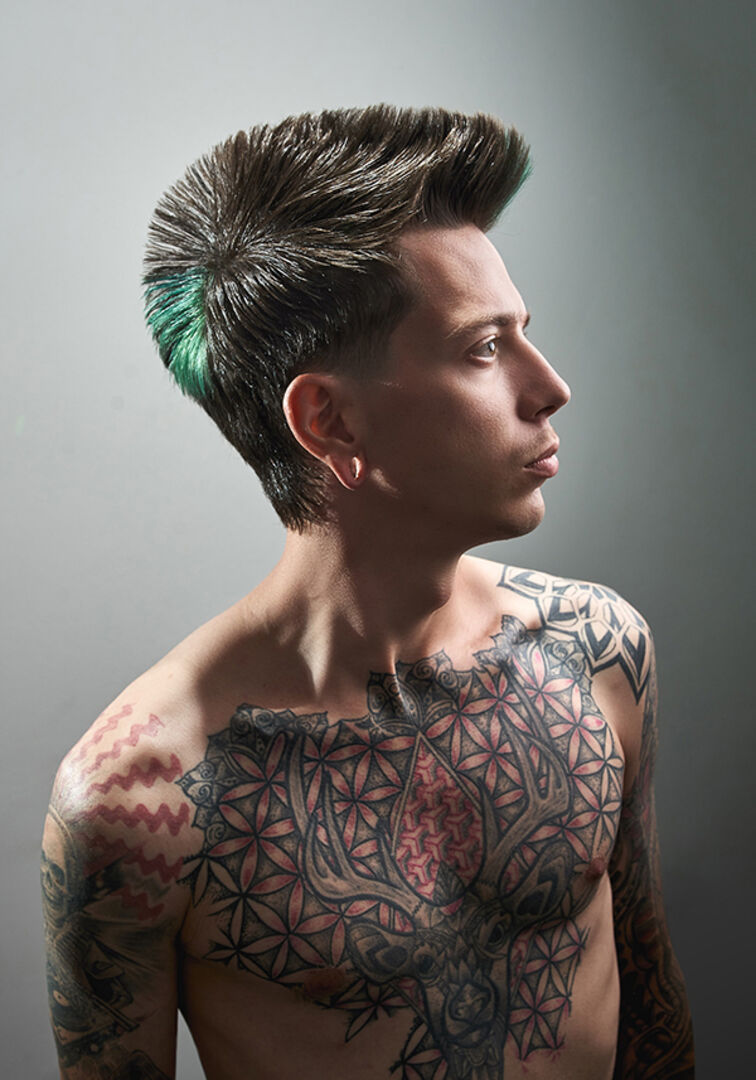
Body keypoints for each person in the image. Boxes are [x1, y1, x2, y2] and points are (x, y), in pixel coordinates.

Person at [41, 106, 694, 1080]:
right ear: (329, 421)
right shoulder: (142, 800)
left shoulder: (596, 651)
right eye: (483, 348)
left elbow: (652, 1006)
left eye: (525, 334)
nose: (550, 386)